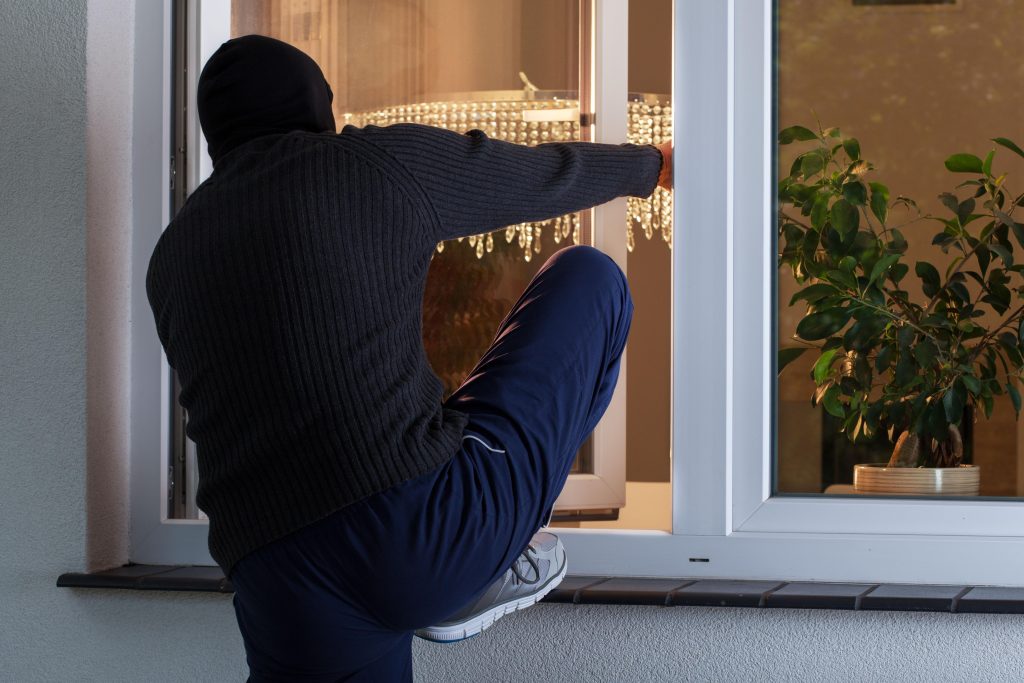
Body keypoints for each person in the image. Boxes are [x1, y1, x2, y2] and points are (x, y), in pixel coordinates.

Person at [146, 34, 672, 682]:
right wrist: (649, 166)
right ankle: (486, 565)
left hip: (272, 574)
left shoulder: (170, 258)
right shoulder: (366, 164)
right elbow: (532, 177)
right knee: (591, 279)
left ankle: (462, 572)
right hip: (420, 532)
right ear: (317, 105)